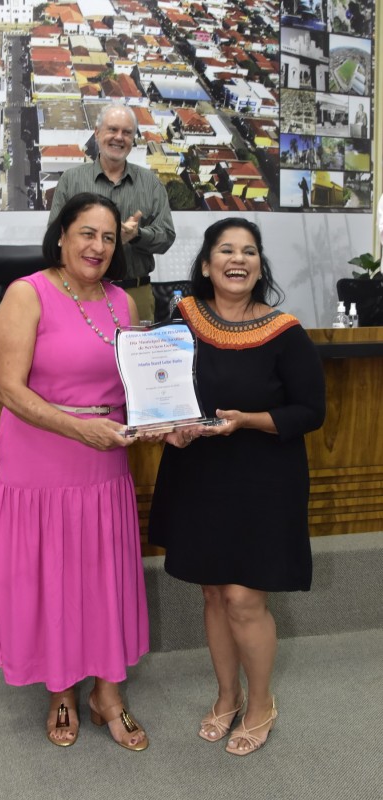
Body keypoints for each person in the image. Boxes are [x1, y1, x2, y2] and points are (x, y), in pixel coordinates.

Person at [149, 217, 325, 756]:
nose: (238, 259)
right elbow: (160, 390)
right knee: (212, 590)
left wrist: (247, 420)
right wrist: (167, 426)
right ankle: (226, 696)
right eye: (226, 249)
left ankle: (261, 702)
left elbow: (310, 411)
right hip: (199, 474)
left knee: (245, 598)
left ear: (259, 266)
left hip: (263, 478)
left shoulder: (285, 331)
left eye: (249, 251)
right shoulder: (180, 320)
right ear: (206, 264)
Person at [0, 192, 150, 751]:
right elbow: (9, 389)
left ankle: (108, 691)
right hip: (41, 465)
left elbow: (132, 389)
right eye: (87, 233)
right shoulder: (25, 294)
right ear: (61, 235)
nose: (98, 247)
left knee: (103, 575)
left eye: (108, 238)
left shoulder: (122, 303)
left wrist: (164, 420)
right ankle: (61, 690)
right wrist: (80, 429)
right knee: (53, 577)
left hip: (105, 463)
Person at [47, 103, 176, 322]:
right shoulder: (71, 180)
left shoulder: (151, 184)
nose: (119, 137)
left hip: (134, 293)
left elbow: (166, 237)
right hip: (80, 291)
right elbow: (55, 236)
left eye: (127, 133)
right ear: (97, 133)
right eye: (112, 130)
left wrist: (137, 236)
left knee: (135, 356)